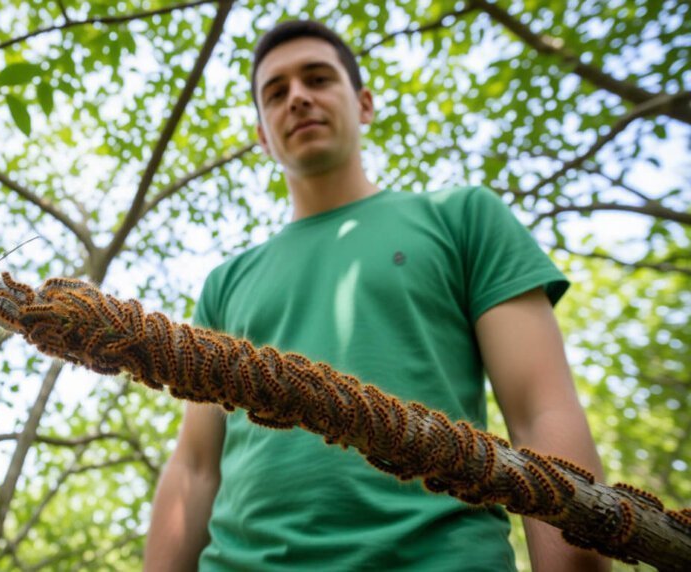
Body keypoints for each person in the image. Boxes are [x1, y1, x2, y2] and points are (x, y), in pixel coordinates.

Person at [144, 19, 608, 571]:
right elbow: (196, 467)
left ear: (364, 104)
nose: (298, 97)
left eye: (318, 78)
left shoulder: (463, 217)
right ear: (263, 136)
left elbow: (540, 411)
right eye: (276, 92)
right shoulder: (226, 283)